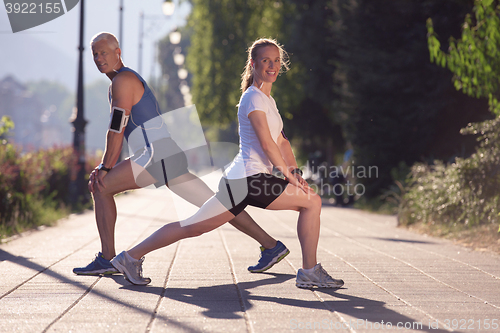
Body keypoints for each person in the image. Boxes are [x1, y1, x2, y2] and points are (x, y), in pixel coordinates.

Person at [111, 38, 345, 289]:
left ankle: (129, 257)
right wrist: (288, 176)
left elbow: (282, 142)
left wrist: (295, 172)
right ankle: (309, 271)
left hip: (242, 181)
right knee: (312, 202)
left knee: (193, 226)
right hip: (249, 180)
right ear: (253, 64)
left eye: (276, 61)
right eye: (266, 60)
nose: (272, 66)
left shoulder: (268, 101)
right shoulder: (252, 99)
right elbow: (267, 144)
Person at [73, 32, 290, 277]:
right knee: (218, 206)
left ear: (118, 53)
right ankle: (271, 246)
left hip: (154, 155)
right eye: (95, 55)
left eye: (104, 53)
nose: (99, 58)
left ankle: (107, 258)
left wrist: (104, 168)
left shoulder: (122, 82)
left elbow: (116, 130)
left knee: (101, 187)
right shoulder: (124, 80)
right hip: (167, 154)